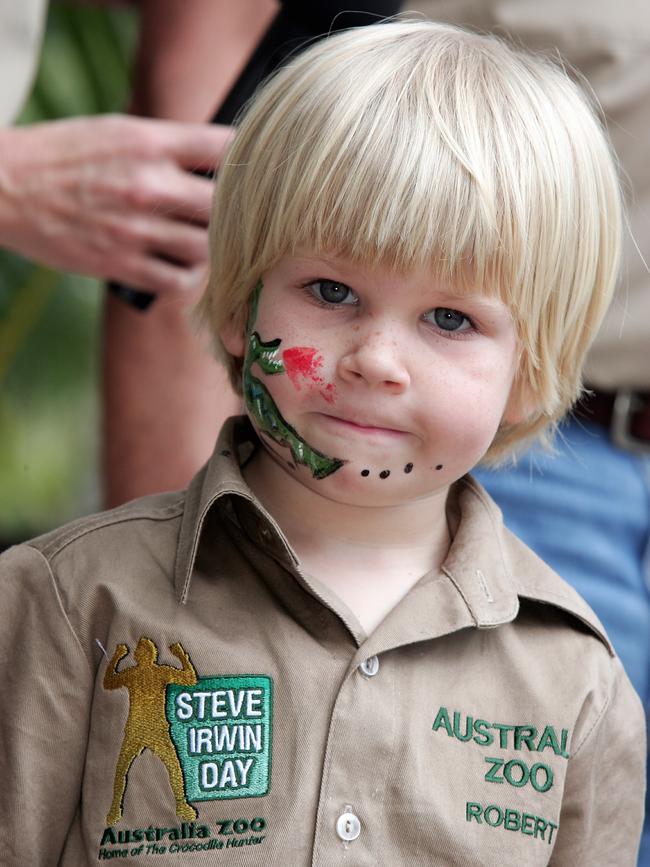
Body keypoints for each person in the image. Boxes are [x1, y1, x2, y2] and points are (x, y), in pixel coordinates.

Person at [0, 19, 645, 865]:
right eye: (331, 290)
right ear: (240, 307)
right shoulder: (61, 601)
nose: (378, 358)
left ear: (531, 369)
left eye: (450, 318)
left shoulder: (579, 680)